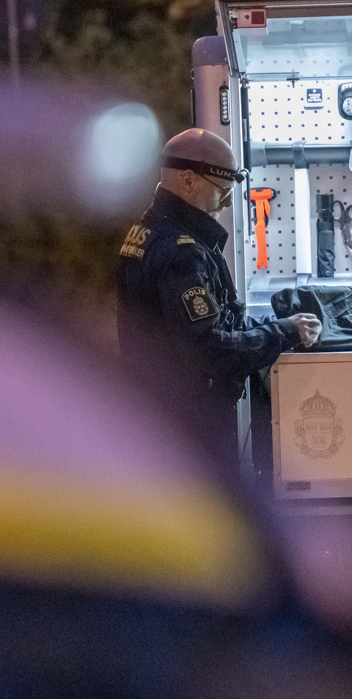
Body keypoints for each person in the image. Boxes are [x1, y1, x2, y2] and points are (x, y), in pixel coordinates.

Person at [117, 128, 321, 457]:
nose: (227, 201)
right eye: (222, 191)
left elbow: (218, 319)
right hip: (189, 427)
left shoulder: (151, 229)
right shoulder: (181, 250)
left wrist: (275, 324)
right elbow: (208, 349)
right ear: (187, 180)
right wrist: (283, 332)